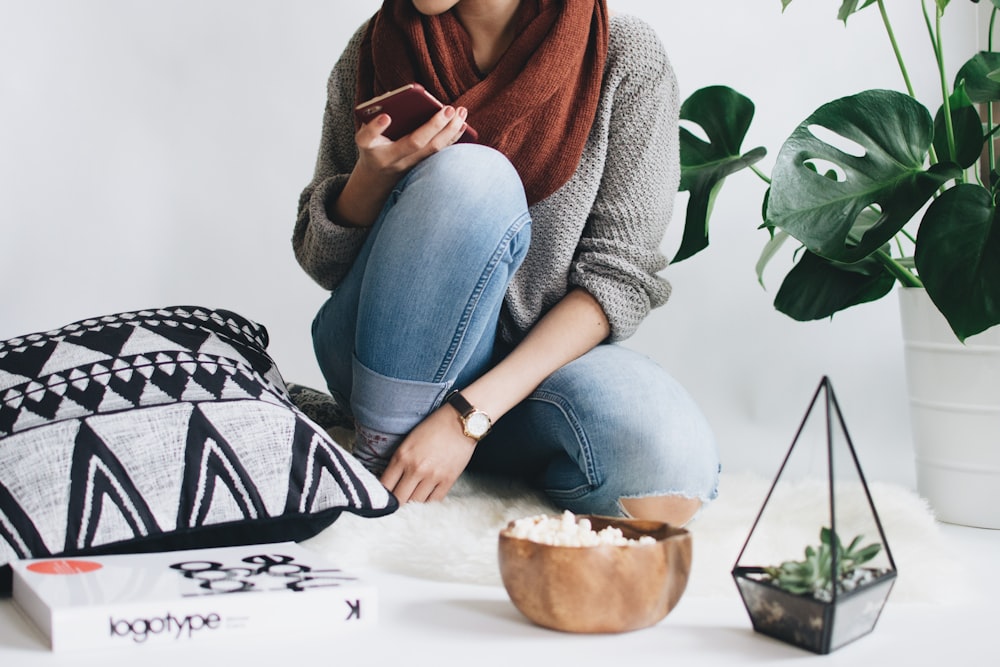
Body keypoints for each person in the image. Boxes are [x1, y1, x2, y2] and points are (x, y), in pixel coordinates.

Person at [293, 0, 719, 525]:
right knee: (472, 178)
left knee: (669, 473)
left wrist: (468, 419)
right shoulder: (376, 49)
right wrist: (370, 181)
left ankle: (463, 461)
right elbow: (322, 263)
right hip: (379, 356)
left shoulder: (623, 56)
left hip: (535, 375)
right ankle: (381, 458)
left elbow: (619, 280)